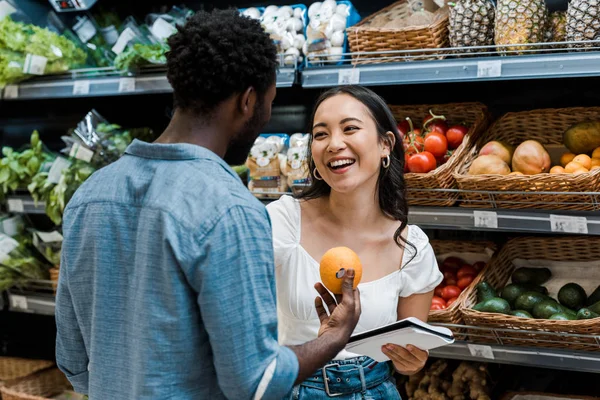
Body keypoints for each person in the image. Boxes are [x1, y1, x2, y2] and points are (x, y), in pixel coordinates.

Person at [55, 10, 361, 400]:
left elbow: (72, 361)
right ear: (248, 101)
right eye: (269, 101)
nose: (266, 114)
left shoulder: (89, 196)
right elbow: (256, 382)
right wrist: (334, 338)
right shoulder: (230, 209)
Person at [266, 86, 444, 399]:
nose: (334, 144)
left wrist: (411, 362)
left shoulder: (411, 247)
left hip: (375, 390)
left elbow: (408, 354)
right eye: (321, 135)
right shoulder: (283, 222)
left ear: (385, 144)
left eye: (350, 129)